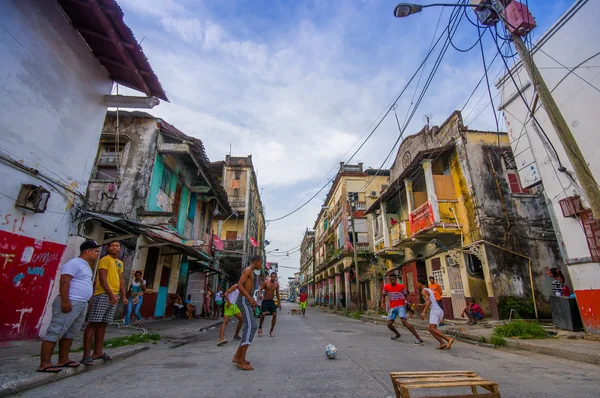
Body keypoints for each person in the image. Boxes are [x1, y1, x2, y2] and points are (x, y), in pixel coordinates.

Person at [37, 240, 100, 372]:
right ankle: (45, 363)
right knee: (55, 331)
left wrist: (85, 303)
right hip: (71, 301)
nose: (97, 253)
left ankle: (63, 360)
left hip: (81, 304)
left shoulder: (87, 266)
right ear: (87, 251)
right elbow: (65, 281)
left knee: (70, 333)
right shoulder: (74, 263)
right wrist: (65, 301)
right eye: (95, 251)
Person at [81, 241, 127, 365]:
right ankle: (86, 355)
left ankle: (98, 352)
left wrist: (123, 296)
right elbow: (102, 278)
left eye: (117, 246)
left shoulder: (119, 263)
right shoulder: (104, 260)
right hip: (103, 294)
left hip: (114, 295)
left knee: (103, 324)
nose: (115, 247)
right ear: (108, 248)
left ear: (120, 248)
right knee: (94, 323)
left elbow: (121, 279)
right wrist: (111, 294)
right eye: (112, 245)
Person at [232, 255, 263, 371]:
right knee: (251, 326)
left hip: (246, 300)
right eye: (260, 263)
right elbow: (239, 285)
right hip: (244, 301)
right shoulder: (248, 270)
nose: (261, 265)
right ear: (256, 262)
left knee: (249, 327)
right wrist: (249, 299)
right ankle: (240, 361)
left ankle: (237, 357)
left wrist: (251, 299)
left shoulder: (251, 272)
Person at [383, 274, 424, 345]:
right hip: (392, 307)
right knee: (389, 324)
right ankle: (397, 334)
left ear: (396, 279)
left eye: (393, 279)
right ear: (389, 280)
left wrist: (408, 301)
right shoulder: (386, 287)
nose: (392, 281)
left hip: (400, 306)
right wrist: (382, 303)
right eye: (391, 280)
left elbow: (405, 294)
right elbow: (383, 295)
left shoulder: (400, 286)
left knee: (404, 321)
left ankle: (418, 338)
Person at [418, 279, 454, 350]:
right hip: (438, 310)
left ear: (420, 283)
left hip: (435, 311)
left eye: (417, 283)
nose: (416, 285)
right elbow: (431, 301)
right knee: (431, 329)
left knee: (432, 328)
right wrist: (422, 305)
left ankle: (448, 339)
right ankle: (442, 343)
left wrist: (424, 312)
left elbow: (429, 302)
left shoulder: (423, 291)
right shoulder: (428, 290)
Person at [258, 272, 281, 337]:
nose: (273, 278)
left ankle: (271, 330)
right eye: (272, 276)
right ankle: (260, 327)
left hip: (271, 301)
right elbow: (260, 289)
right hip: (265, 300)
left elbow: (277, 294)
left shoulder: (276, 284)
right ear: (270, 276)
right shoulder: (266, 283)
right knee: (263, 314)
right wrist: (260, 294)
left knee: (274, 314)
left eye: (275, 277)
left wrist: (279, 303)